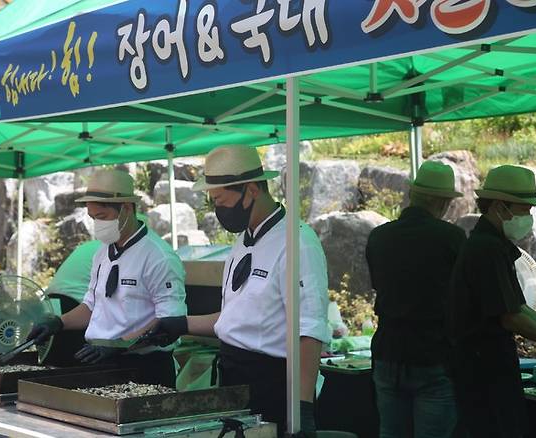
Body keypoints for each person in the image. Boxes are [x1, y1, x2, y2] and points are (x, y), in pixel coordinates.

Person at [138, 146, 330, 436]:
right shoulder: (242, 242)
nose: (217, 209)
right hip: (235, 381)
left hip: (274, 384)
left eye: (220, 199)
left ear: (251, 190)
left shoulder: (297, 242)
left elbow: (310, 330)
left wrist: (301, 409)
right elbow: (238, 316)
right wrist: (181, 324)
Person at [27, 169, 187, 387]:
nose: (97, 225)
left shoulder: (158, 256)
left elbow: (168, 320)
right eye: (93, 218)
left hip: (145, 367)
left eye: (102, 217)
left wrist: (120, 344)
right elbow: (91, 306)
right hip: (102, 361)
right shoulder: (102, 253)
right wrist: (58, 322)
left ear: (127, 208)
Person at [365, 161, 466, 438]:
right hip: (432, 354)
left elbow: (379, 286)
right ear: (443, 201)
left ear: (413, 194)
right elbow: (465, 299)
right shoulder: (452, 238)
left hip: (388, 353)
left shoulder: (379, 237)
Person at [447, 165, 536, 438]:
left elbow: (519, 307)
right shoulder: (486, 249)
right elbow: (510, 316)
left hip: (486, 367)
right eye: (524, 209)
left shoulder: (494, 245)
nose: (528, 216)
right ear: (500, 207)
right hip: (483, 371)